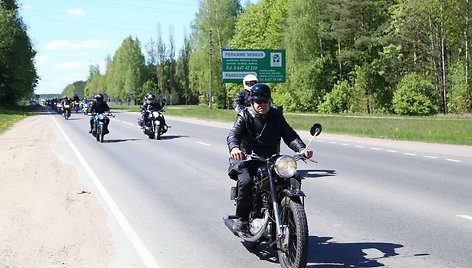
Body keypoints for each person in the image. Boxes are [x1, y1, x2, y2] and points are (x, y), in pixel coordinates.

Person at [226, 83, 313, 232]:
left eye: (265, 101)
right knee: (246, 182)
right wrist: (235, 148)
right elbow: (233, 135)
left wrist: (301, 148)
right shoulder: (245, 115)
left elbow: (290, 135)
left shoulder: (276, 116)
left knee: (294, 177)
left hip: (272, 160)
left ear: (269, 102)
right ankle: (242, 219)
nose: (262, 104)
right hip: (249, 159)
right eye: (258, 102)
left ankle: (290, 215)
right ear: (251, 102)